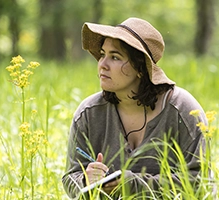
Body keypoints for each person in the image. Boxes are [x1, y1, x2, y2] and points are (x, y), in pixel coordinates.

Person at [62, 17, 209, 198]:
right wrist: (86, 180)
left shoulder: (182, 110)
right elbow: (70, 177)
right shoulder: (89, 113)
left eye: (115, 57)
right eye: (102, 54)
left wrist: (134, 184)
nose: (102, 64)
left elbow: (201, 182)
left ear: (140, 67)